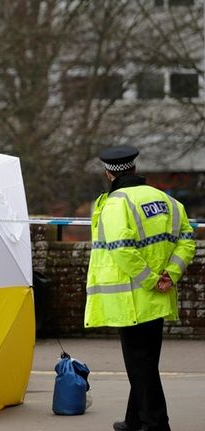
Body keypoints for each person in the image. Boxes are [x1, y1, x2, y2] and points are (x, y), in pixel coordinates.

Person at [84, 146, 195, 431]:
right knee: (145, 362)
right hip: (159, 296)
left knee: (140, 364)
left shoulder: (115, 204)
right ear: (134, 168)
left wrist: (149, 280)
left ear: (109, 173)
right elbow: (187, 240)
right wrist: (169, 274)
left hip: (131, 299)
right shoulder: (167, 200)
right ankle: (134, 420)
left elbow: (122, 250)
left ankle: (157, 424)